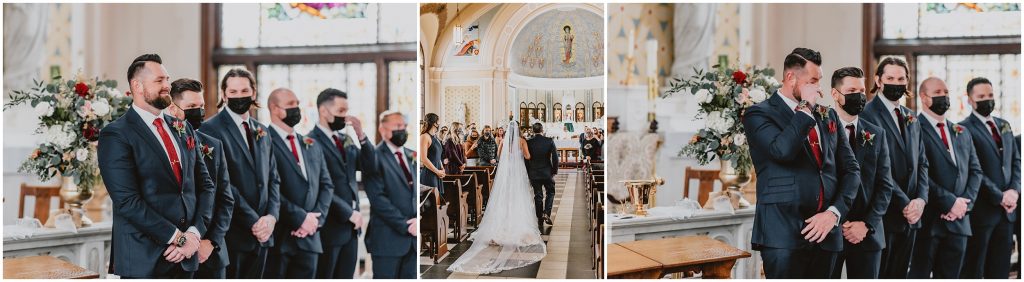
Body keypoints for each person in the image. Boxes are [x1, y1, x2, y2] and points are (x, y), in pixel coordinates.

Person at [740, 48, 860, 278]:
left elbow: (851, 170)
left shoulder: (829, 115)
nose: (818, 88)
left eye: (819, 81)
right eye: (812, 81)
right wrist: (805, 109)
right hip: (783, 235)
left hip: (827, 233)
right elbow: (781, 151)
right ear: (790, 78)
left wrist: (834, 213)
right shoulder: (759, 114)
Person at [98, 54, 216, 278]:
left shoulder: (183, 128)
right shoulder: (117, 134)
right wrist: (178, 238)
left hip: (186, 256)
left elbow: (205, 186)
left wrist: (193, 234)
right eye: (159, 80)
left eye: (167, 79)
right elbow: (127, 201)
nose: (167, 86)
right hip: (144, 259)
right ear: (137, 86)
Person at [199, 68, 281, 279]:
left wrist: (271, 217)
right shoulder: (210, 129)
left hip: (264, 233)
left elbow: (273, 178)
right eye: (233, 92)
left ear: (254, 92)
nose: (239, 96)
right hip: (233, 233)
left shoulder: (262, 130)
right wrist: (254, 221)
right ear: (224, 94)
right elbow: (221, 183)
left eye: (244, 91)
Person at [860, 56, 929, 279]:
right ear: (878, 80)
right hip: (884, 213)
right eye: (890, 78)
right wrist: (905, 203)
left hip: (912, 216)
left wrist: (920, 200)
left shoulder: (911, 117)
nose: (896, 83)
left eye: (901, 79)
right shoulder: (867, 114)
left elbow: (922, 162)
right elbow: (875, 168)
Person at [447, 121, 547, 274]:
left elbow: (499, 155)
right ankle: (517, 224)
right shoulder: (521, 141)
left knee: (505, 198)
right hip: (518, 173)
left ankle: (503, 225)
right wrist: (521, 154)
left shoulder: (504, 141)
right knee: (518, 197)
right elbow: (527, 156)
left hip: (507, 174)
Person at [907, 77, 982, 278]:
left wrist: (963, 205)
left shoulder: (961, 131)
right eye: (938, 93)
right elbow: (918, 173)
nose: (944, 97)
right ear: (924, 97)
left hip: (959, 222)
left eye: (946, 92)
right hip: (929, 222)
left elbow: (975, 171)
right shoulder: (913, 128)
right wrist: (949, 202)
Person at [826, 67, 896, 279]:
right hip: (829, 231)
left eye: (862, 90)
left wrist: (866, 224)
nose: (859, 96)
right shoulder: (821, 129)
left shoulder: (877, 133)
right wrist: (833, 219)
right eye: (852, 90)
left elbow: (885, 186)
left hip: (867, 233)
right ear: (835, 94)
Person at [166, 78, 235, 279]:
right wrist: (182, 242)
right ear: (173, 108)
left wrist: (211, 241)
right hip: (175, 252)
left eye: (202, 106)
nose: (199, 111)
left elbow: (225, 199)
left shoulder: (214, 145)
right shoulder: (163, 146)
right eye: (191, 107)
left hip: (210, 254)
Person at [263, 88, 333, 278]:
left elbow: (327, 185)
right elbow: (268, 187)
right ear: (274, 108)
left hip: (310, 238)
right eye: (290, 104)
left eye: (297, 104)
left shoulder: (310, 143)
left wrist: (315, 220)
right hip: (279, 238)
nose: (296, 109)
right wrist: (300, 218)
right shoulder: (263, 141)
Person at [309, 88, 376, 279]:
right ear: (323, 111)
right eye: (340, 111)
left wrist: (361, 135)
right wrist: (349, 213)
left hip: (351, 228)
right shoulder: (310, 141)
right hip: (329, 225)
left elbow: (370, 166)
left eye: (346, 111)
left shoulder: (345, 139)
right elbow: (319, 186)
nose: (345, 116)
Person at [959, 77, 1019, 279]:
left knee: (1000, 269)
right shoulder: (964, 129)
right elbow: (973, 170)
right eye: (981, 96)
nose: (987, 100)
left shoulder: (1004, 125)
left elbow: (1015, 161)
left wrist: (1014, 191)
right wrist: (999, 196)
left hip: (1007, 212)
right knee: (975, 269)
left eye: (990, 95)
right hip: (982, 211)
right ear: (970, 100)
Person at [364, 111, 417, 279]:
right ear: (383, 129)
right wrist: (406, 225)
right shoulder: (373, 157)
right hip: (387, 239)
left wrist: (418, 220)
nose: (402, 130)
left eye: (404, 126)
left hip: (414, 242)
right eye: (397, 126)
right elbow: (378, 199)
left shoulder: (412, 155)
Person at [526, 123, 559, 226]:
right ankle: (546, 213)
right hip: (546, 172)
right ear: (542, 130)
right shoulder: (549, 141)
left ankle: (539, 217)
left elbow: (526, 159)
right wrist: (554, 171)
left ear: (532, 130)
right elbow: (555, 157)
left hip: (533, 172)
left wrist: (528, 171)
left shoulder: (529, 142)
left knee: (538, 195)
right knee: (551, 192)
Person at [420, 115, 445, 189]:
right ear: (435, 123)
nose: (440, 123)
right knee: (433, 195)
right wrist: (437, 171)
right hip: (429, 174)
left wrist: (442, 168)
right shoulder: (424, 136)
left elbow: (438, 156)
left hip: (438, 172)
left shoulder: (435, 136)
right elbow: (423, 159)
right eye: (438, 121)